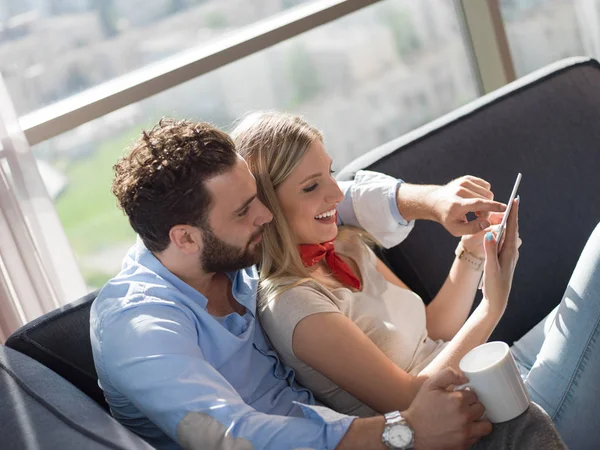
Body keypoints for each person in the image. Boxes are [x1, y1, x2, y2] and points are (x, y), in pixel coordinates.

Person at [91, 118, 565, 450]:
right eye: (244, 211)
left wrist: (435, 201)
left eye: (257, 198)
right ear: (186, 238)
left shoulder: (228, 251)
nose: (264, 216)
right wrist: (401, 433)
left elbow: (337, 198)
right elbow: (229, 436)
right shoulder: (138, 327)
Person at [233, 110, 600, 449]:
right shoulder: (291, 306)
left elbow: (434, 326)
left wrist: (473, 249)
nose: (337, 193)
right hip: (489, 423)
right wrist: (491, 307)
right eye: (312, 187)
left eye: (330, 173)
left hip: (495, 378)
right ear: (267, 207)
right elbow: (412, 400)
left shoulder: (343, 244)